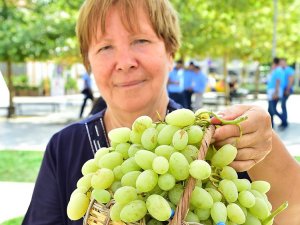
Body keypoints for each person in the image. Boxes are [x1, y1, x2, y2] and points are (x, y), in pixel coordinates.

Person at [22, 1, 300, 225]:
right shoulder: (65, 146)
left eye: (140, 41)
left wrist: (266, 147)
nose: (125, 62)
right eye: (105, 47)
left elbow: (294, 209)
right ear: (88, 63)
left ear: (170, 51)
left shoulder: (215, 144)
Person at [266, 57, 285, 128]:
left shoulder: (278, 70)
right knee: (270, 109)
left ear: (274, 63)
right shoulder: (277, 70)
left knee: (272, 110)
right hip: (273, 91)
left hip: (274, 92)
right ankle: (271, 124)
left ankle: (283, 120)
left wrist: (276, 93)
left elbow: (278, 82)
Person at [279, 58, 295, 130]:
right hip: (282, 90)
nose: (281, 64)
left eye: (282, 62)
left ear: (285, 62)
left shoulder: (288, 70)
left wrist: (287, 90)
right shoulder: (282, 70)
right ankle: (283, 121)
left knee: (283, 105)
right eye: (280, 62)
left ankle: (284, 122)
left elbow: (291, 80)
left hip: (286, 90)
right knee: (282, 106)